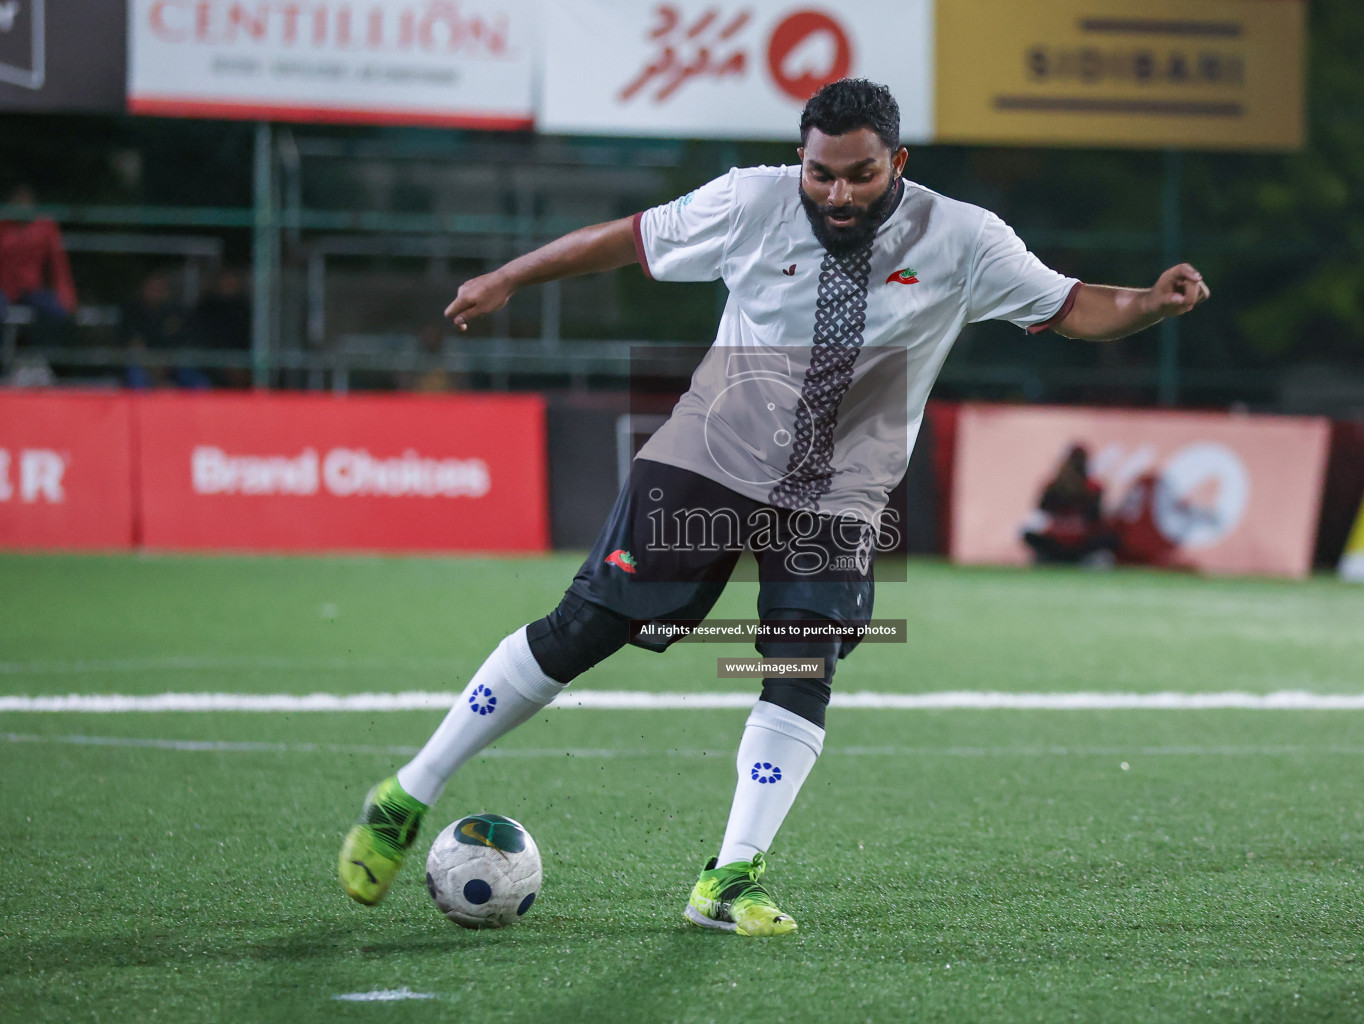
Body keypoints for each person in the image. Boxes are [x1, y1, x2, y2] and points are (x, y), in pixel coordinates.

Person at [336, 79, 1209, 936]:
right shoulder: (749, 201)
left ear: (896, 163)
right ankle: (407, 793)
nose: (837, 193)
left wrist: (1150, 306)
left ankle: (730, 875)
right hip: (710, 456)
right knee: (582, 629)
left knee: (803, 668)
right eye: (821, 173)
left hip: (840, 491)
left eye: (860, 175)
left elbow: (1074, 306)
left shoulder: (965, 239)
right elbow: (626, 242)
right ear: (800, 160)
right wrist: (508, 278)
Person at [0, 183, 76, 343]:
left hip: (31, 290)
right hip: (3, 290)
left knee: (57, 312)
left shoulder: (45, 227)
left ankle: (41, 359)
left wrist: (67, 295)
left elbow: (59, 265)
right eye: (17, 202)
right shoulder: (2, 226)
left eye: (25, 202)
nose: (21, 206)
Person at [1021, 444, 1118, 565]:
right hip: (1056, 541)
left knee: (1109, 540)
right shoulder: (1053, 486)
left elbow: (1095, 517)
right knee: (1028, 534)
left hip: (1082, 543)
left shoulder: (1093, 487)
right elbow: (1042, 510)